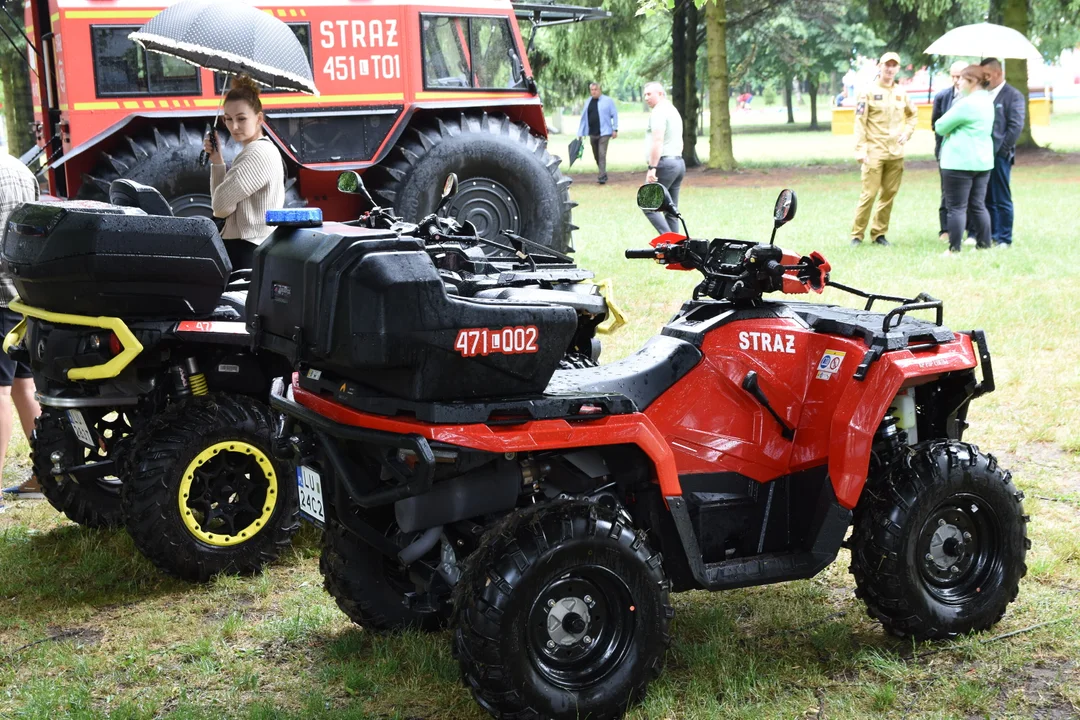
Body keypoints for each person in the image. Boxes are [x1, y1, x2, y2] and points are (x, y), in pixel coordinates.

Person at [203, 74, 285, 270]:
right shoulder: (257, 150)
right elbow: (220, 205)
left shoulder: (257, 153)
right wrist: (217, 161)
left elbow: (220, 207)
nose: (234, 126)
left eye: (241, 118)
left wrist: (223, 203)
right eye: (228, 119)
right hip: (248, 247)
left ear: (259, 118)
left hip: (246, 249)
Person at [0, 152, 43, 503]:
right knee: (21, 387)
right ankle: (46, 475)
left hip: (0, 300)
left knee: (0, 394)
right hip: (25, 296)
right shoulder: (19, 168)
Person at [849, 52, 918, 247]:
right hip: (874, 151)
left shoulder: (901, 93)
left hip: (896, 152)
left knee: (889, 194)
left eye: (894, 65)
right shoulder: (868, 92)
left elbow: (913, 115)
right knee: (869, 194)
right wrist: (860, 149)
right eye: (886, 65)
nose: (889, 69)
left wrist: (907, 132)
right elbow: (860, 122)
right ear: (880, 66)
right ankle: (857, 234)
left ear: (898, 69)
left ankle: (879, 234)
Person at [934, 65, 994, 256]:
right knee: (978, 204)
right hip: (982, 161)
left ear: (973, 82)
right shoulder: (987, 100)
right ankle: (984, 244)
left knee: (956, 208)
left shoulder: (966, 104)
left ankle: (954, 248)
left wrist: (952, 128)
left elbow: (940, 126)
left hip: (959, 162)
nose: (958, 82)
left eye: (962, 79)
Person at [979, 58, 1025, 247]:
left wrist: (1002, 150)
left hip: (1000, 155)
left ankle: (1004, 238)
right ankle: (992, 234)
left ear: (999, 74)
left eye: (987, 75)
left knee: (1002, 197)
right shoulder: (983, 95)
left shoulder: (1013, 96)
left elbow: (1015, 127)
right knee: (986, 196)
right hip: (981, 153)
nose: (985, 79)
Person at [932, 61, 972, 241]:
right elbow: (935, 123)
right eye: (954, 76)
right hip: (947, 151)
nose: (956, 80)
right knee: (946, 192)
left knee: (972, 193)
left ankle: (971, 229)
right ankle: (945, 230)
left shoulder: (974, 97)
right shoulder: (942, 96)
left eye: (960, 76)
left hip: (969, 152)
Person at [641, 81, 684, 234]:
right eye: (644, 94)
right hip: (678, 163)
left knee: (647, 205)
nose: (646, 98)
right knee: (671, 210)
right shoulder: (672, 110)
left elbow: (657, 141)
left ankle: (669, 244)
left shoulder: (659, 112)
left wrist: (652, 168)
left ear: (660, 93)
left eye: (649, 94)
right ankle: (679, 251)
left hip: (664, 164)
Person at [576, 82, 618, 184]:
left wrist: (615, 129)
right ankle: (602, 171)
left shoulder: (608, 101)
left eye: (596, 89)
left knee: (602, 154)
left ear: (600, 90)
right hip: (592, 132)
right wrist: (580, 132)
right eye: (592, 90)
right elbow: (583, 118)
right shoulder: (588, 102)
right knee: (596, 155)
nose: (594, 92)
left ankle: (602, 176)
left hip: (605, 132)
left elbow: (614, 115)